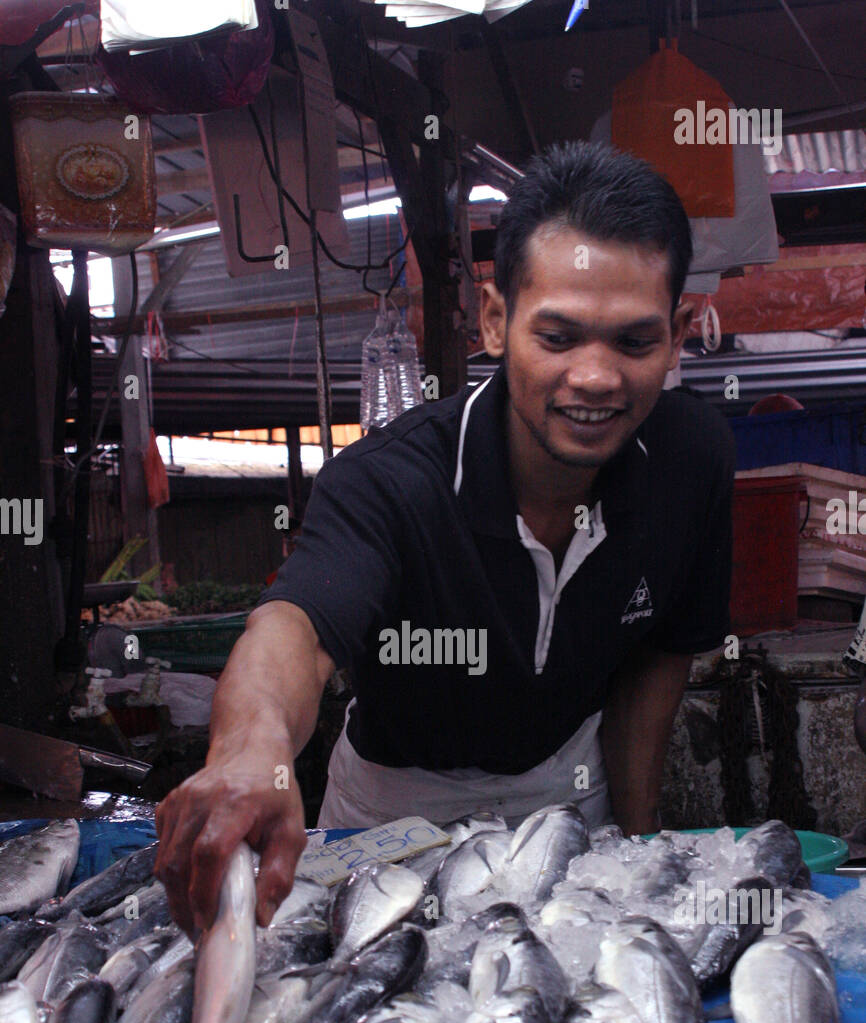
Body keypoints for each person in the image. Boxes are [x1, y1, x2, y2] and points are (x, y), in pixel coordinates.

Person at [156, 140, 736, 937]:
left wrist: (638, 843)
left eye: (634, 342)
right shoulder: (388, 482)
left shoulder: (692, 461)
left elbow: (660, 656)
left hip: (570, 795)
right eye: (558, 337)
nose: (596, 378)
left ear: (676, 334)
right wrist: (252, 751)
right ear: (496, 321)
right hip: (393, 813)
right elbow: (296, 629)